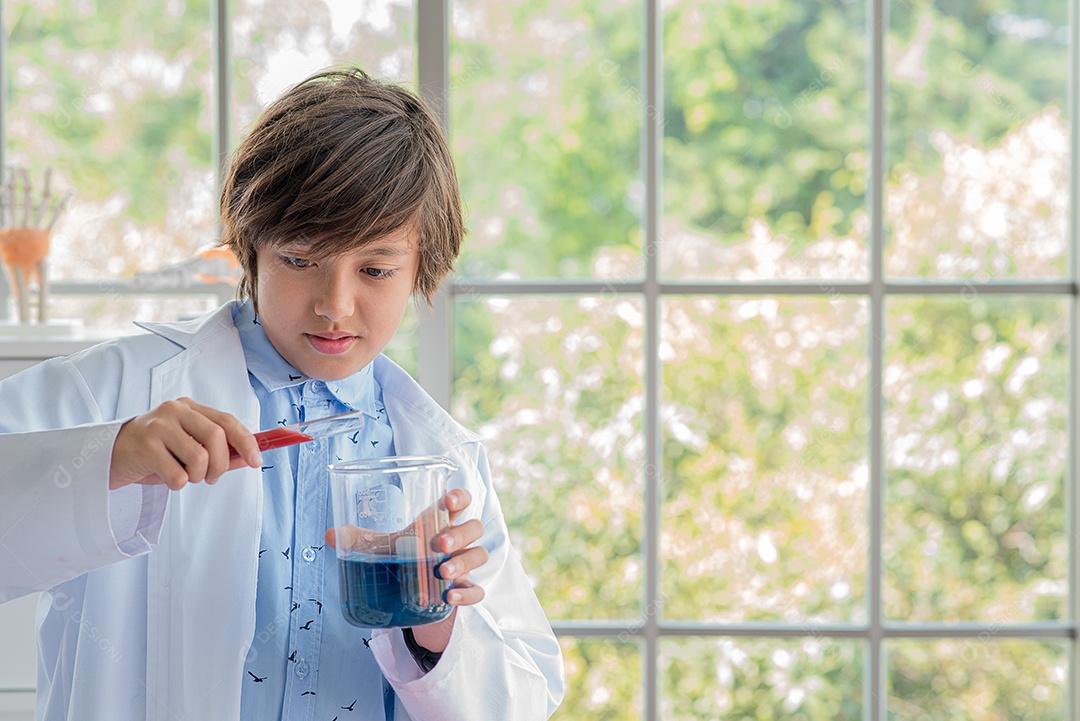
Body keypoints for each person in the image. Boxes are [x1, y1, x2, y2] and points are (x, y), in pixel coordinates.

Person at [0, 67, 564, 721]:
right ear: (252, 247)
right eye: (300, 259)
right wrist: (114, 456)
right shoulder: (118, 390)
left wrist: (433, 633)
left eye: (376, 269)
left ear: (420, 269)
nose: (335, 305)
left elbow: (523, 695)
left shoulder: (442, 460)